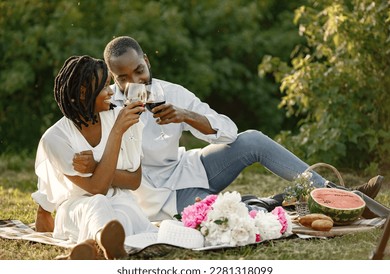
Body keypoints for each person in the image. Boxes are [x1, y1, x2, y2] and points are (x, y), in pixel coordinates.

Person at [98, 36, 384, 221]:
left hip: (189, 169)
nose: (134, 80)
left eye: (139, 70)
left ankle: (344, 197)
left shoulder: (171, 92)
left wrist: (186, 116)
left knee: (252, 140)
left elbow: (229, 132)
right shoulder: (107, 107)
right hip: (160, 196)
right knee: (237, 216)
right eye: (123, 77)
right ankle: (272, 204)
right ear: (114, 77)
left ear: (146, 61)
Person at [31, 55, 157, 259]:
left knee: (123, 213)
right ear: (83, 93)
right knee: (97, 202)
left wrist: (96, 166)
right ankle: (104, 243)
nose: (111, 92)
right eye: (105, 86)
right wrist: (116, 132)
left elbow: (134, 180)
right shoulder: (55, 138)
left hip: (119, 201)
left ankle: (93, 247)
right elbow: (97, 188)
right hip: (77, 208)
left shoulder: (120, 117)